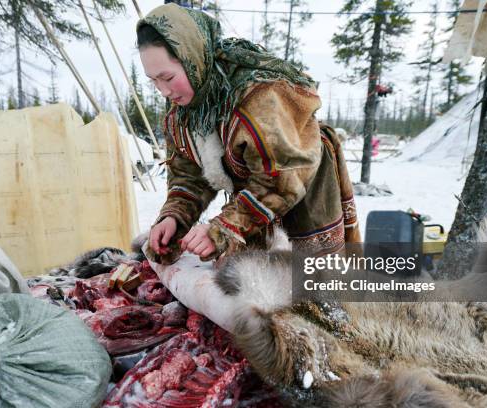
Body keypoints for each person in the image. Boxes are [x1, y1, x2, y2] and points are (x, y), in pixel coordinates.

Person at [138, 3, 360, 265]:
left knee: (308, 290)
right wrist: (174, 217)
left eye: (168, 77)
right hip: (253, 207)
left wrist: (224, 228)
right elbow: (188, 175)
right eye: (153, 80)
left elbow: (283, 176)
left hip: (303, 198)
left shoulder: (259, 97)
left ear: (192, 59)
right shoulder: (185, 109)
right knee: (253, 292)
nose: (163, 90)